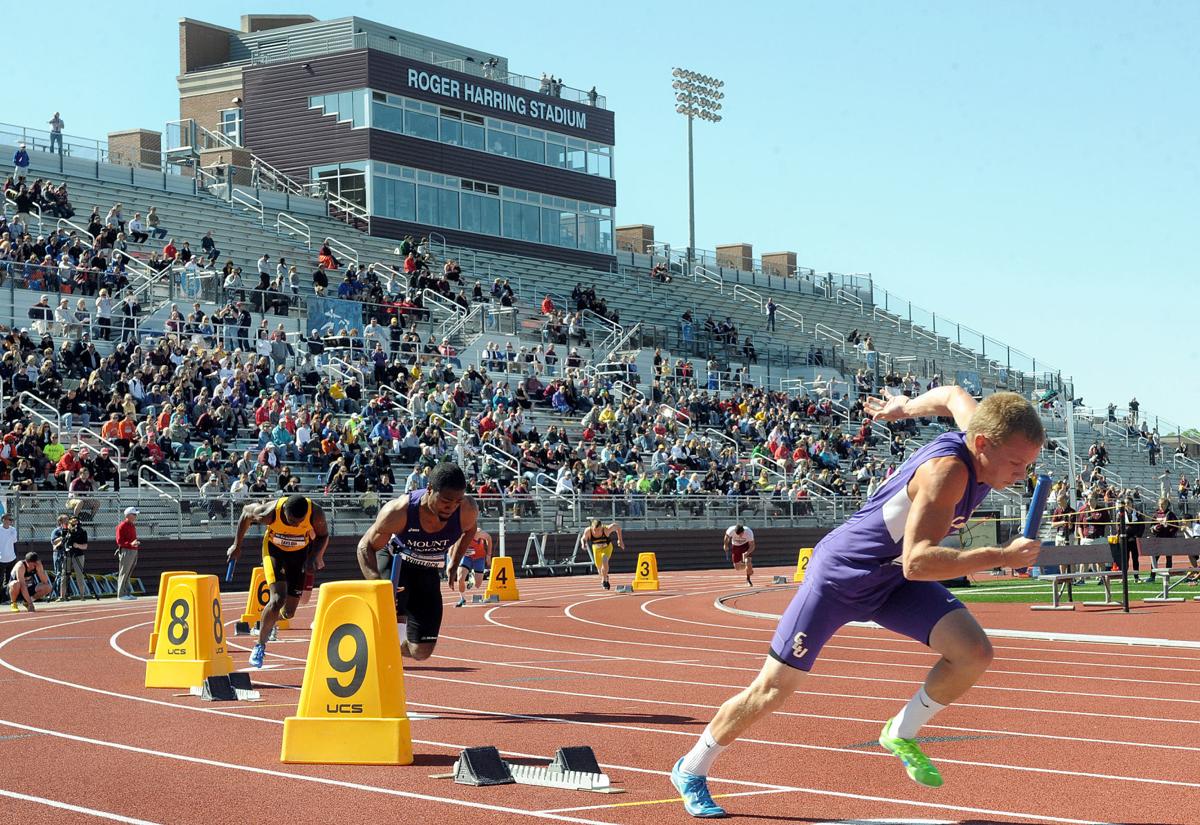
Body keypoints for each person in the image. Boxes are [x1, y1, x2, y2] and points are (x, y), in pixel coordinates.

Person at [670, 388, 1044, 818]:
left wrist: (903, 408)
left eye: (1028, 464)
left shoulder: (979, 428)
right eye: (1017, 463)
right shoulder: (947, 474)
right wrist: (1001, 556)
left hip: (890, 580)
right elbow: (918, 562)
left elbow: (954, 396)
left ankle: (900, 732)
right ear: (982, 444)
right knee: (771, 691)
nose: (1022, 474)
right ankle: (691, 768)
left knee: (974, 652)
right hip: (843, 576)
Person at [355, 463, 478, 660]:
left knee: (421, 652)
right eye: (446, 501)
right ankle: (371, 648)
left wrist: (454, 563)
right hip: (396, 563)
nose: (451, 507)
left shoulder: (467, 510)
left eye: (457, 501)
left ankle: (395, 650)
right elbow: (364, 546)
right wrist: (377, 585)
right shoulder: (399, 511)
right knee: (394, 616)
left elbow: (470, 529)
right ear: (429, 490)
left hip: (426, 569)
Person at [227, 495, 330, 668]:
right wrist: (237, 545)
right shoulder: (268, 512)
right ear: (284, 512)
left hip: (299, 553)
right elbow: (245, 514)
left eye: (299, 522)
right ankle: (260, 644)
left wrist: (314, 556)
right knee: (277, 599)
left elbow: (323, 535)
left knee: (289, 613)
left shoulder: (315, 512)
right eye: (292, 521)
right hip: (275, 551)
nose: (296, 525)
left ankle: (271, 620)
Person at [580, 519, 624, 590]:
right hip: (596, 549)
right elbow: (583, 538)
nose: (597, 532)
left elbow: (617, 527)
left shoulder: (606, 529)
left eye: (598, 530)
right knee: (600, 570)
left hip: (607, 547)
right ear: (591, 527)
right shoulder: (588, 531)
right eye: (595, 530)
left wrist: (620, 540)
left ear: (601, 527)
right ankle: (605, 576)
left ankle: (604, 581)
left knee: (605, 559)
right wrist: (583, 544)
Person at [455, 527, 492, 607]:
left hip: (479, 557)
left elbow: (489, 538)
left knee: (478, 584)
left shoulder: (478, 532)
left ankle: (471, 576)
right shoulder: (459, 532)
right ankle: (462, 599)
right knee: (460, 579)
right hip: (466, 557)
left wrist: (488, 555)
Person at [115, 506, 141, 600]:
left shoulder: (132, 525)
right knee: (124, 573)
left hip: (133, 551)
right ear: (128, 515)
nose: (135, 516)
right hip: (127, 551)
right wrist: (131, 544)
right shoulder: (121, 526)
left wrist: (134, 543)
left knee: (128, 573)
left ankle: (127, 593)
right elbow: (119, 541)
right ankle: (121, 595)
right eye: (134, 514)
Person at [0, 514, 16, 604]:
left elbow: (14, 541)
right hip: (1, 558)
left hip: (11, 558)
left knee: (10, 579)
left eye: (11, 519)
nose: (10, 521)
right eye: (8, 519)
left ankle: (7, 598)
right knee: (0, 580)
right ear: (3, 520)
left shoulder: (13, 530)